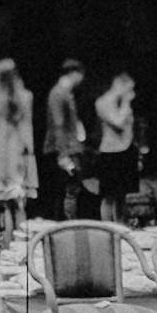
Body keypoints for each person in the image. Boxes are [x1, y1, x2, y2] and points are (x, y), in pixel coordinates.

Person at [0, 58, 36, 231]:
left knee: (5, 205)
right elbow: (28, 127)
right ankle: (21, 249)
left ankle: (8, 249)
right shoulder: (26, 97)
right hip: (19, 149)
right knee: (20, 204)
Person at [43, 61, 89, 220]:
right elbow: (58, 124)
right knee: (69, 192)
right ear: (74, 73)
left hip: (69, 147)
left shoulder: (65, 93)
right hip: (65, 149)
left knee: (70, 191)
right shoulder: (58, 93)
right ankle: (68, 228)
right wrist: (63, 155)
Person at [91, 71, 139, 222]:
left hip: (126, 149)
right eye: (129, 89)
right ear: (119, 85)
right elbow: (117, 122)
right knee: (108, 195)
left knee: (122, 195)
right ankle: (107, 229)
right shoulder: (103, 102)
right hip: (111, 151)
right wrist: (126, 102)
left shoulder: (121, 103)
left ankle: (121, 227)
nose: (131, 93)